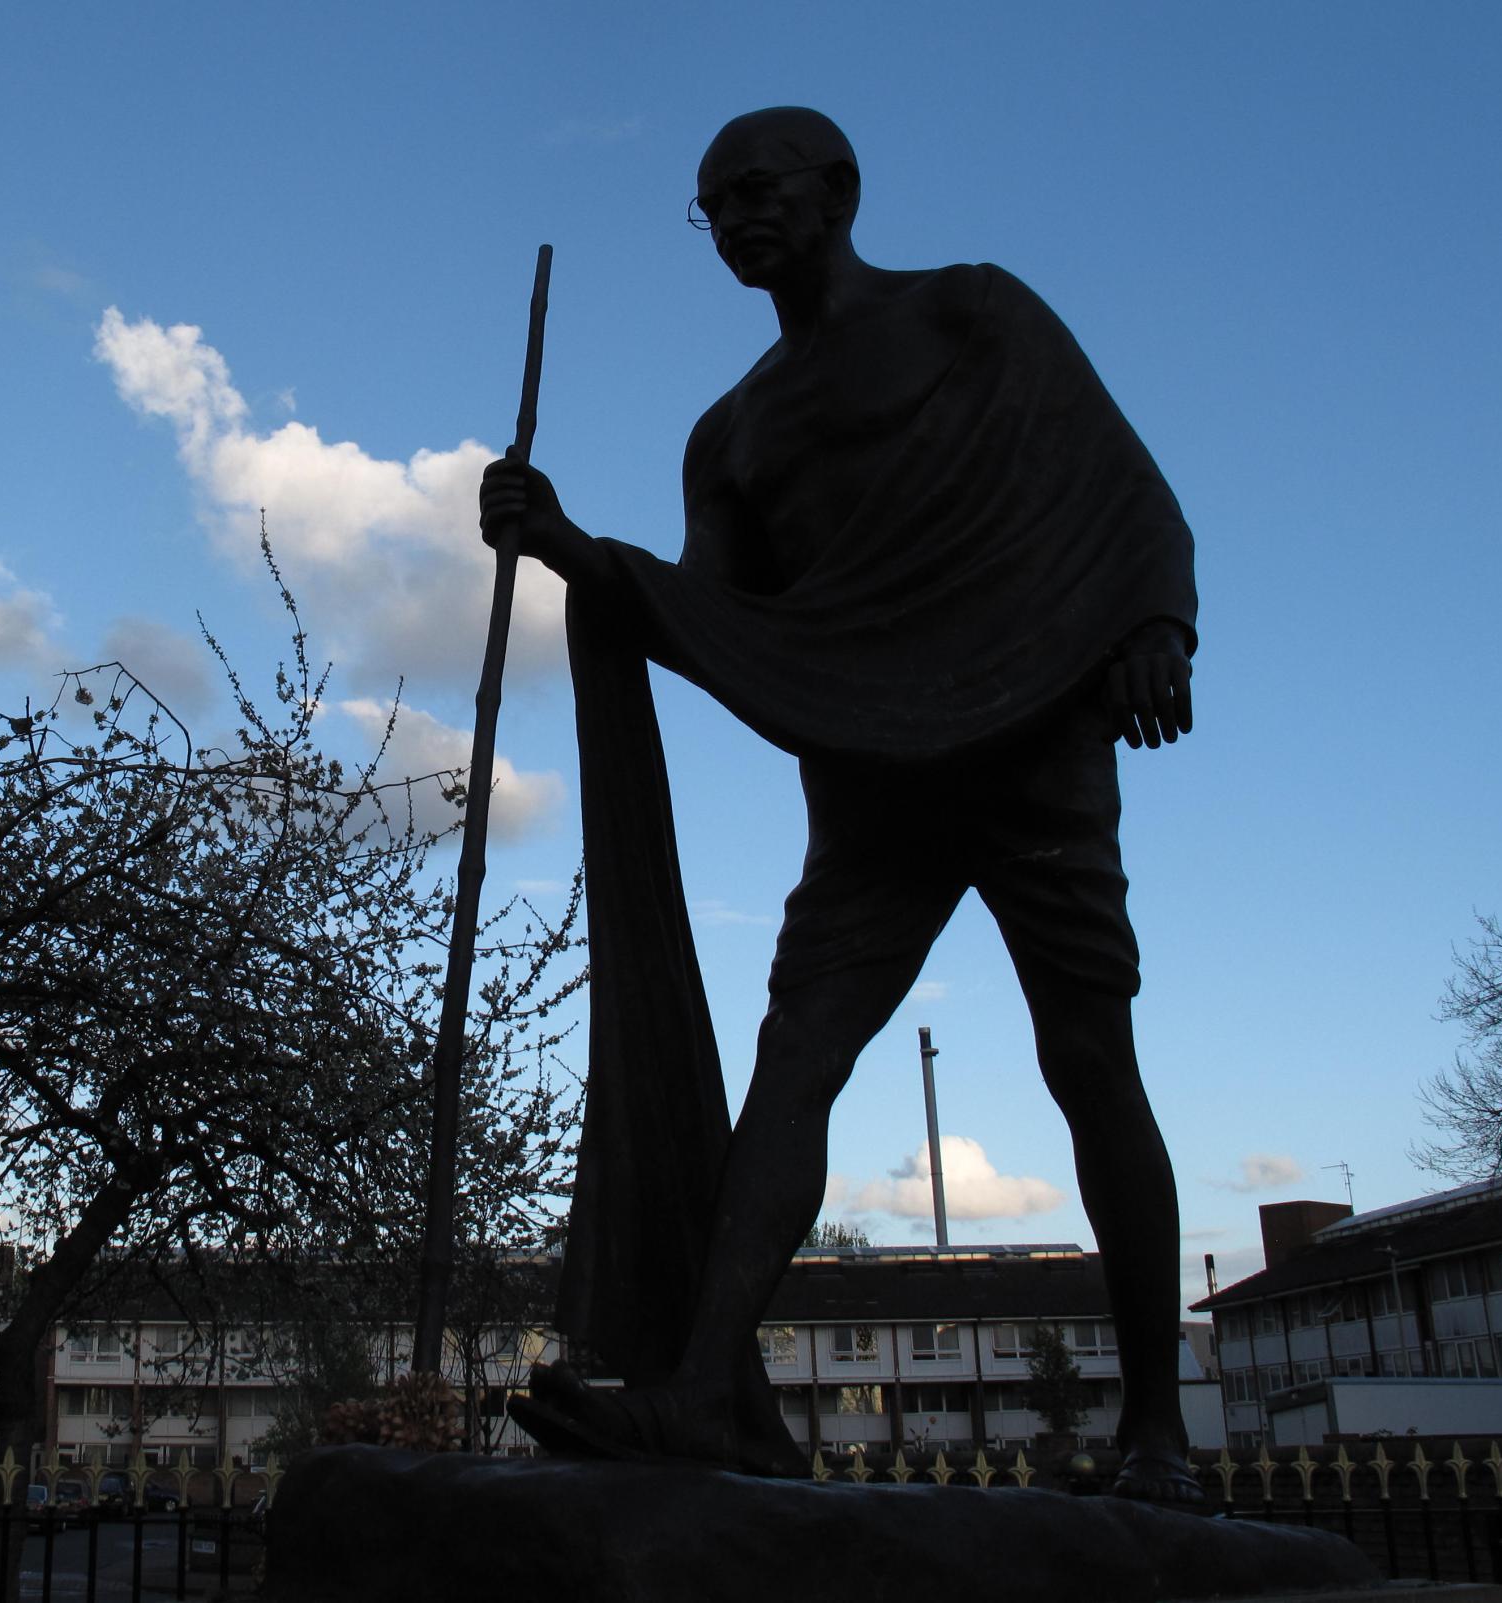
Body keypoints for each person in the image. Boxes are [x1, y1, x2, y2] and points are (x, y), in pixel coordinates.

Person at [477, 106, 1204, 1503]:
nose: (735, 220)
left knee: (1089, 1058)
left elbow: (1122, 488)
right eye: (711, 206)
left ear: (839, 192)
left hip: (1034, 740)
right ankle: (699, 1394)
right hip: (873, 778)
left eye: (754, 190)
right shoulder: (731, 435)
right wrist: (575, 550)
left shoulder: (971, 313)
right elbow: (723, 625)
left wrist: (1156, 622)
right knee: (797, 1059)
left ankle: (1158, 1435)